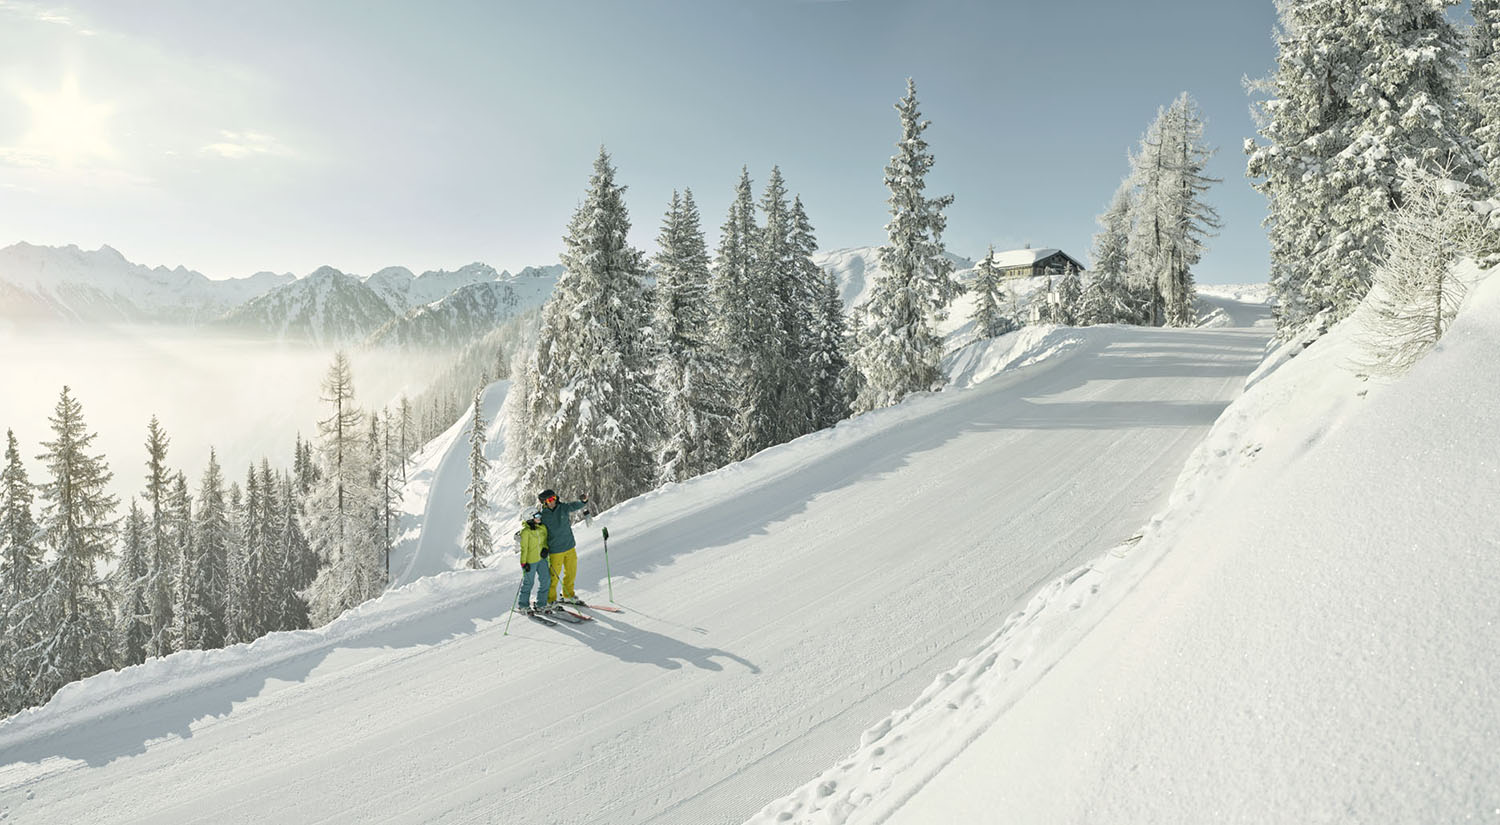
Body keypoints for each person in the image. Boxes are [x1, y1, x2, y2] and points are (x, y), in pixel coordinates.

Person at [536, 488, 588, 607]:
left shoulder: (563, 508)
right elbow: (538, 532)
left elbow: (574, 505)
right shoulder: (543, 516)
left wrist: (583, 501)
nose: (552, 502)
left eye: (553, 498)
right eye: (549, 500)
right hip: (555, 551)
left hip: (569, 546)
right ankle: (550, 599)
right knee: (553, 577)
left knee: (571, 573)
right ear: (544, 502)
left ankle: (568, 595)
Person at [516, 511, 551, 614]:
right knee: (528, 583)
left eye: (540, 515)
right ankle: (523, 605)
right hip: (530, 562)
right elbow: (524, 548)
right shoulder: (526, 532)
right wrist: (523, 563)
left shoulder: (542, 528)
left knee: (546, 580)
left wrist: (546, 549)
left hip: (542, 560)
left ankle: (541, 604)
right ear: (530, 519)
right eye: (537, 516)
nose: (540, 517)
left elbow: (545, 542)